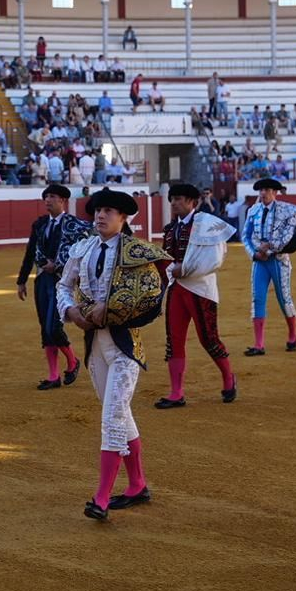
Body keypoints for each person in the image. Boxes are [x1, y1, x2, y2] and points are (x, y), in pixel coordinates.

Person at [57, 188, 171, 520]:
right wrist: (70, 312)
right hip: (95, 349)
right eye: (98, 210)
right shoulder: (83, 249)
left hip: (124, 349)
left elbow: (152, 295)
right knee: (121, 417)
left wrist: (114, 306)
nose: (101, 215)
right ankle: (137, 485)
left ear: (123, 218)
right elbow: (63, 286)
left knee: (111, 419)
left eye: (109, 211)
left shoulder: (137, 252)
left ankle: (101, 497)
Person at [155, 182, 236, 408]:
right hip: (176, 289)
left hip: (201, 289)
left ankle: (229, 379)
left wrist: (184, 269)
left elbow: (215, 259)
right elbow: (165, 259)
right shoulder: (170, 229)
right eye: (172, 199)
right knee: (174, 340)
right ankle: (176, 392)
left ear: (192, 202)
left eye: (179, 199)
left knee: (208, 339)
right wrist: (166, 275)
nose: (174, 203)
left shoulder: (207, 225)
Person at [16, 183, 91, 389]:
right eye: (46, 196)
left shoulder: (76, 225)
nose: (48, 200)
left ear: (63, 201)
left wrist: (59, 265)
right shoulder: (39, 224)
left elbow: (85, 250)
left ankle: (73, 360)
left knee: (53, 326)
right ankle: (53, 375)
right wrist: (22, 280)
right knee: (45, 328)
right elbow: (30, 252)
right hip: (42, 280)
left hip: (62, 282)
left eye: (53, 196)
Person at [239, 177, 296, 355]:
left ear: (275, 193)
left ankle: (292, 335)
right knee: (258, 298)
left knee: (284, 299)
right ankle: (259, 344)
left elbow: (289, 237)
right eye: (261, 190)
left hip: (278, 261)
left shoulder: (286, 211)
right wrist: (254, 253)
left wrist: (270, 247)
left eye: (267, 190)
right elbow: (246, 236)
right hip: (260, 262)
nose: (263, 193)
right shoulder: (254, 210)